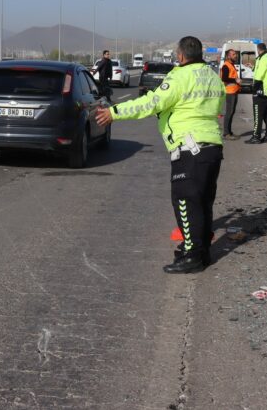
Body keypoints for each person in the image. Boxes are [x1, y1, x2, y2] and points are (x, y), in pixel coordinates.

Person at [95, 36, 225, 274]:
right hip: (212, 147)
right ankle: (200, 251)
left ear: (182, 56)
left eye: (177, 54)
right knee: (204, 202)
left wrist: (114, 112)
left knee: (185, 201)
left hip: (189, 147)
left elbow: (152, 103)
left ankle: (192, 255)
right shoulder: (212, 77)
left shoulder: (180, 76)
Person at [247, 42, 267, 144]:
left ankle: (256, 137)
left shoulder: (263, 59)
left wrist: (253, 89)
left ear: (258, 50)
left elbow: (259, 76)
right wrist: (252, 67)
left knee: (258, 115)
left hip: (261, 91)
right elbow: (265, 72)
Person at [219, 49, 241, 139]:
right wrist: (235, 80)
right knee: (229, 113)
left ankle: (229, 132)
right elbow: (224, 78)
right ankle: (226, 134)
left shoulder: (231, 65)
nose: (235, 55)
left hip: (234, 91)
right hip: (229, 92)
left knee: (232, 112)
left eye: (235, 54)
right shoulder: (226, 66)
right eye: (233, 54)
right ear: (228, 56)